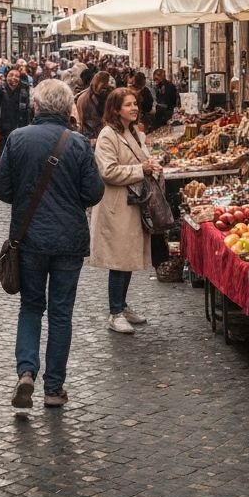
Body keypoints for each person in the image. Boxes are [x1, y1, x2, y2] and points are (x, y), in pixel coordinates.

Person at [0, 79, 104, 410]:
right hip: (68, 241)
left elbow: (1, 189)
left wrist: (25, 196)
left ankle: (26, 371)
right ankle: (54, 388)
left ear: (37, 107)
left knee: (30, 306)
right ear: (68, 107)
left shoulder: (18, 139)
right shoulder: (79, 143)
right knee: (60, 312)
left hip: (29, 239)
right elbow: (94, 192)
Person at [90, 88, 162, 334]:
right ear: (116, 109)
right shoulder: (107, 136)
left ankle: (122, 304)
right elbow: (108, 171)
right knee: (119, 260)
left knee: (128, 257)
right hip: (116, 205)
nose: (134, 108)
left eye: (135, 104)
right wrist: (142, 169)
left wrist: (152, 164)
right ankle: (115, 312)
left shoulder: (132, 132)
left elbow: (141, 159)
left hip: (133, 204)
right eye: (129, 105)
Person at [0, 67, 32, 153]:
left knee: (19, 151)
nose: (14, 77)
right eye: (11, 75)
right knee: (4, 151)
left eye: (17, 76)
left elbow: (29, 107)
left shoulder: (25, 88)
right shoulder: (1, 88)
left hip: (21, 125)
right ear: (6, 77)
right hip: (4, 126)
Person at [75, 71, 111, 145]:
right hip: (93, 137)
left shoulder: (107, 94)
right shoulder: (85, 98)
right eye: (104, 86)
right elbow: (85, 120)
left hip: (99, 135)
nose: (106, 88)